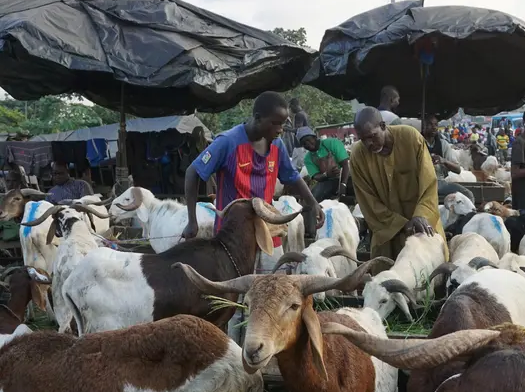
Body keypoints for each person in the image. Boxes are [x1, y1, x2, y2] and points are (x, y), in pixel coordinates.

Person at [183, 91, 324, 266]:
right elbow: (193, 172)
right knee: (233, 286)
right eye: (275, 123)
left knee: (271, 284)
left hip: (268, 230)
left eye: (282, 124)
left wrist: (313, 203)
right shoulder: (228, 142)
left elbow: (292, 177)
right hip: (232, 236)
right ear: (258, 118)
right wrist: (192, 221)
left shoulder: (277, 146)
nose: (280, 130)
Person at [349, 107, 445, 260]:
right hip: (387, 234)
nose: (369, 144)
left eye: (372, 136)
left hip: (421, 228)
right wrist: (400, 224)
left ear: (382, 126)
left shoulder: (411, 138)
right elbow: (368, 201)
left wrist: (421, 215)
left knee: (430, 273)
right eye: (363, 139)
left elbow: (429, 184)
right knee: (385, 276)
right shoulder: (357, 156)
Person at [297, 127, 350, 233]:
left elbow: (345, 165)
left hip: (346, 176)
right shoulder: (308, 158)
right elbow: (316, 176)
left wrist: (343, 185)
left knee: (359, 192)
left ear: (315, 137)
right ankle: (313, 230)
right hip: (327, 181)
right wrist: (327, 174)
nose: (307, 144)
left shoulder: (332, 143)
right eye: (304, 143)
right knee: (312, 197)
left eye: (308, 140)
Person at [421, 114, 475, 203]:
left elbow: (458, 170)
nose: (434, 127)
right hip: (421, 182)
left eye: (436, 125)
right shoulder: (417, 142)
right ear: (424, 126)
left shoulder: (443, 144)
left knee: (468, 194)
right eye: (430, 124)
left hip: (439, 182)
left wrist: (444, 161)